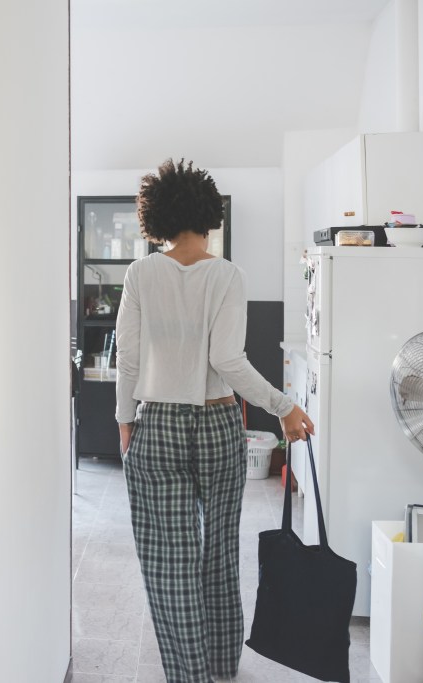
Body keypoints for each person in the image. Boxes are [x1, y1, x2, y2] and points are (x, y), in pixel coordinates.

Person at [115, 158, 313, 683]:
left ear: (154, 215)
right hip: (218, 424)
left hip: (155, 422)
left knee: (169, 563)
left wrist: (124, 423)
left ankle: (190, 674)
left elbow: (128, 361)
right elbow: (228, 361)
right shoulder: (227, 275)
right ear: (208, 215)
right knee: (220, 554)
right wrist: (284, 405)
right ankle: (223, 666)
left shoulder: (139, 274)